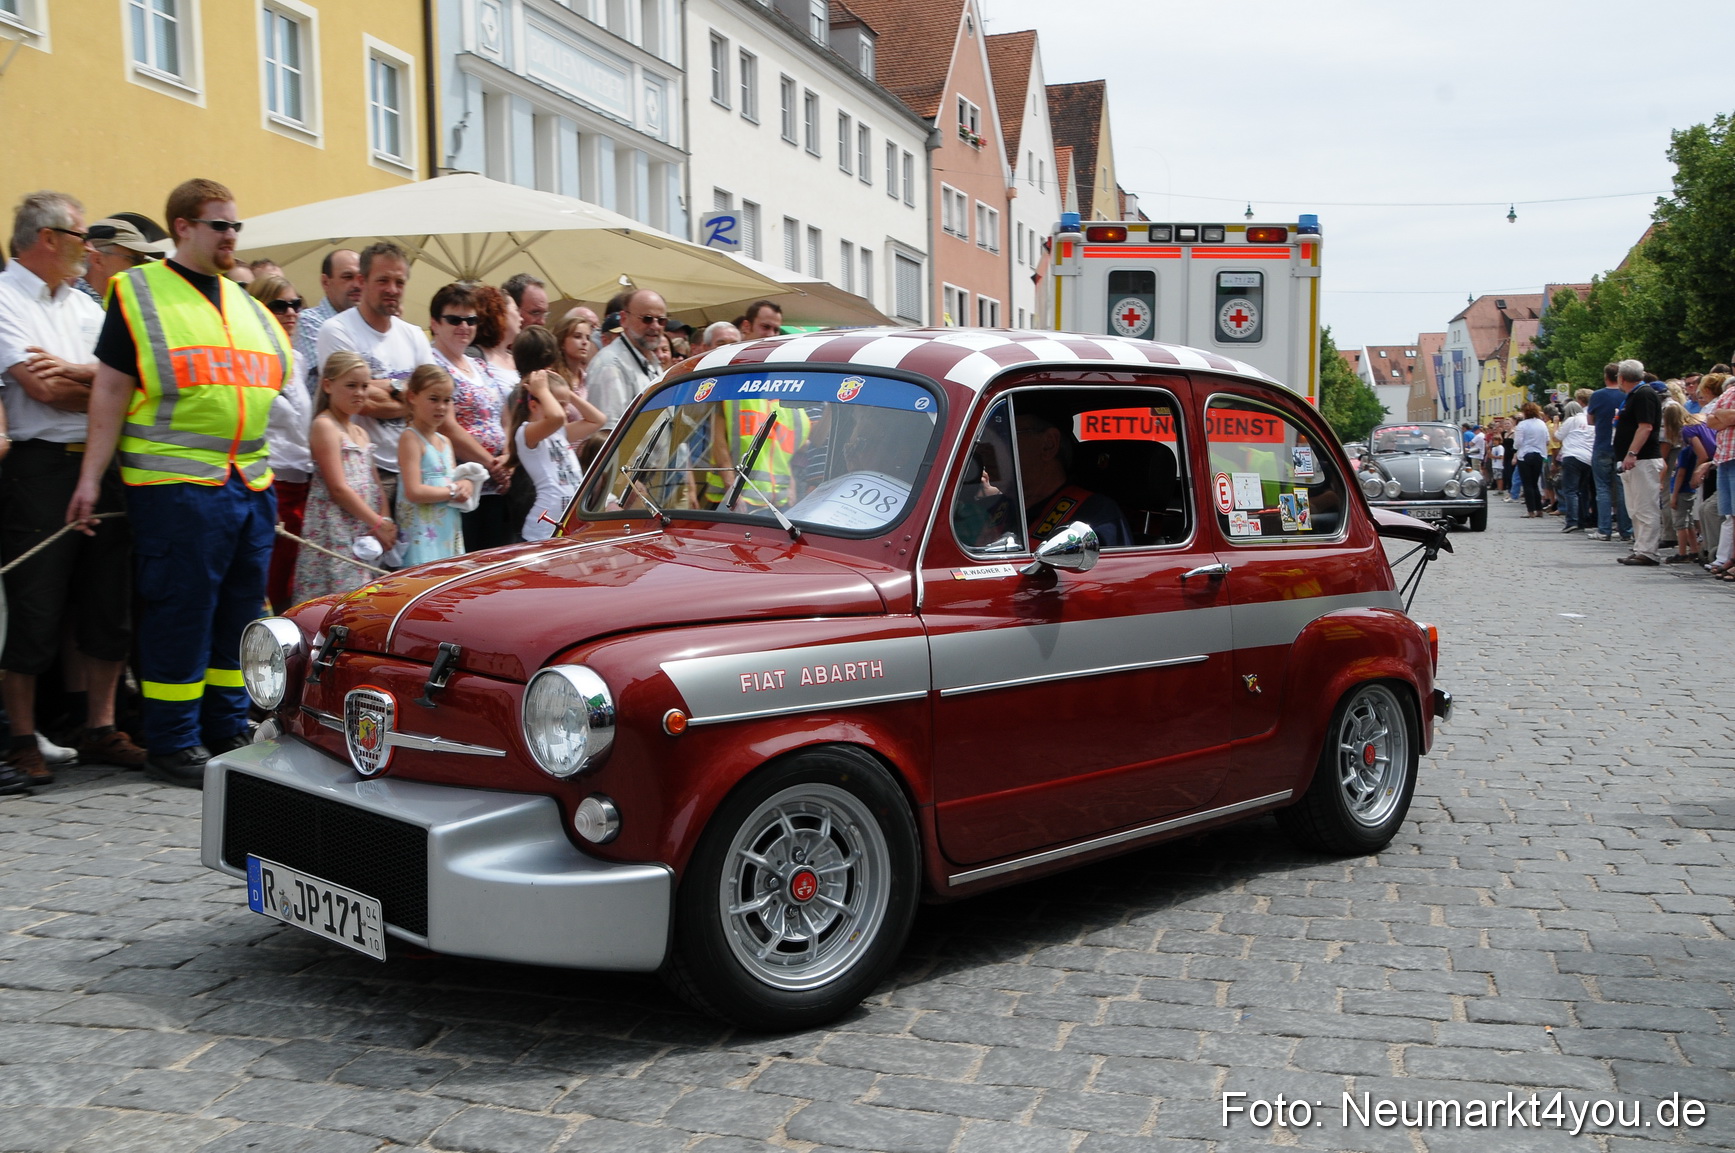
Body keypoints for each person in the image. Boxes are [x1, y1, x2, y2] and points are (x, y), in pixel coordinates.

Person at [69, 177, 288, 787]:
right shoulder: (138, 293)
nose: (232, 237)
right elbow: (110, 390)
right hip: (175, 487)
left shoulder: (247, 305)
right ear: (184, 228)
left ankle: (226, 725)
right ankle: (172, 741)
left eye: (237, 226)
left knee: (240, 614)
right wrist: (90, 478)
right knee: (182, 613)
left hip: (248, 483)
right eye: (220, 225)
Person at [0, 190, 147, 787]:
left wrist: (86, 380)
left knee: (106, 600)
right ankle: (20, 736)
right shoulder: (5, 298)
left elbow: (130, 386)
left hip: (100, 460)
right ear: (47, 238)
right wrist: (96, 385)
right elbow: (42, 390)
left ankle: (99, 727)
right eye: (80, 235)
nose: (91, 247)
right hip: (39, 469)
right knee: (36, 605)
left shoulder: (87, 305)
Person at [314, 242, 426, 511]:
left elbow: (436, 400)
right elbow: (358, 402)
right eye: (383, 280)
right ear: (362, 281)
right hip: (365, 472)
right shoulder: (337, 330)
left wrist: (385, 388)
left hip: (417, 471)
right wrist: (410, 394)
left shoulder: (414, 335)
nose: (392, 289)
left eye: (399, 282)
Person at [295, 350, 394, 600]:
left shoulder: (360, 432)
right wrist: (377, 522)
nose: (359, 393)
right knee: (338, 598)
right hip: (337, 529)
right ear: (328, 385)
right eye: (351, 386)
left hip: (364, 528)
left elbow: (375, 484)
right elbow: (338, 488)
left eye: (364, 386)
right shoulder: (325, 426)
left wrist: (386, 520)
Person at [426, 283, 513, 552]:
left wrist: (508, 457)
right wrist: (492, 464)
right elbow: (447, 425)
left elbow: (506, 416)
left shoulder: (480, 364)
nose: (464, 326)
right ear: (435, 323)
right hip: (460, 486)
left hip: (496, 487)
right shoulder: (432, 364)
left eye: (470, 320)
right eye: (454, 319)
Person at [252, 274, 314, 612]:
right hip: (269, 479)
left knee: (294, 577)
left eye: (296, 304)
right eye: (280, 305)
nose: (291, 312)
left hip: (301, 478)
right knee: (270, 576)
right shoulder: (253, 359)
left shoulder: (298, 359)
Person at [506, 329, 606, 541]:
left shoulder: (558, 433)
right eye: (559, 404)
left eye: (565, 405)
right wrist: (542, 390)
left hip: (565, 518)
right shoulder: (527, 433)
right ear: (534, 405)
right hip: (543, 524)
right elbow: (557, 417)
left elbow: (598, 420)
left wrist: (564, 391)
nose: (566, 410)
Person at [1012, 410, 1132, 548]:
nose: (987, 447)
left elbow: (1116, 568)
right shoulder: (995, 508)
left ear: (1048, 445)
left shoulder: (1096, 517)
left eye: (1005, 434)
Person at [395, 365, 471, 566]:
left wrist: (466, 485)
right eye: (433, 399)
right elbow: (414, 491)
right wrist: (453, 491)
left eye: (447, 400)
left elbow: (453, 481)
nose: (441, 407)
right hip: (422, 533)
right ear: (412, 397)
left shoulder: (445, 442)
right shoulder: (410, 438)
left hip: (447, 529)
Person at [587, 288, 667, 429]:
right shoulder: (610, 365)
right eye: (647, 319)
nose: (655, 326)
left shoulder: (652, 361)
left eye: (661, 320)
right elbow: (606, 433)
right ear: (624, 319)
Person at [1612, 359, 1664, 566]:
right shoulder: (1636, 395)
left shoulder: (1644, 394)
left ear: (1621, 378)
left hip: (1642, 459)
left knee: (1645, 506)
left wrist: (1632, 452)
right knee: (1634, 507)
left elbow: (1645, 427)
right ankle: (1640, 547)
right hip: (1633, 461)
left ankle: (1648, 551)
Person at [294, 249, 361, 391]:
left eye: (361, 278)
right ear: (325, 282)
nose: (357, 285)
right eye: (348, 277)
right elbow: (347, 378)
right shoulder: (309, 321)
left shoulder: (369, 324)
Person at [1586, 362, 1632, 541]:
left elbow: (1590, 420)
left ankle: (1604, 529)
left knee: (1603, 489)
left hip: (1602, 445)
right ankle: (1626, 530)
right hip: (1623, 447)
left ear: (1606, 376)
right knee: (1622, 489)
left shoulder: (1597, 395)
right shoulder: (1627, 394)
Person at [1668, 405, 1713, 564]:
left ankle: (1686, 552)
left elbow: (1701, 456)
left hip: (1685, 487)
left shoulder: (1687, 439)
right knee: (1692, 520)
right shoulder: (1700, 427)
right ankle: (1696, 550)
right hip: (1694, 485)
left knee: (1683, 522)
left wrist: (1695, 475)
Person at [83, 217, 169, 298]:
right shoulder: (74, 305)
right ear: (98, 260)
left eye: (146, 261)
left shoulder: (125, 305)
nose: (143, 268)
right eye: (136, 260)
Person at [1555, 389, 1594, 533]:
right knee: (1583, 490)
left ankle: (1572, 521)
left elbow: (1557, 437)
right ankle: (1583, 519)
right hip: (1588, 458)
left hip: (1572, 455)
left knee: (1570, 490)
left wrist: (1556, 423)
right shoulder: (1590, 419)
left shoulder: (1571, 420)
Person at [1513, 402, 1549, 517]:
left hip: (1525, 454)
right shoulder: (1542, 424)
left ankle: (1530, 511)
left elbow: (1518, 442)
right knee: (1534, 483)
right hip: (1539, 454)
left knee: (1527, 483)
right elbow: (1547, 440)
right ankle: (1539, 509)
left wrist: (1516, 447)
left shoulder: (1522, 425)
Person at [552, 311, 594, 400]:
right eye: (577, 336)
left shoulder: (588, 378)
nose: (585, 342)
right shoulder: (553, 377)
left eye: (588, 338)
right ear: (562, 342)